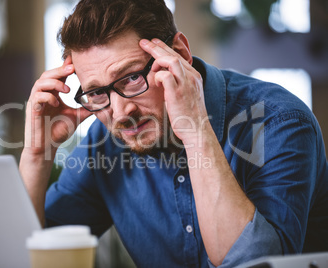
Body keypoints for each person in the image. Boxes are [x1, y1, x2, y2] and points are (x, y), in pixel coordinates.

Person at [19, 0, 328, 267]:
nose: (121, 113)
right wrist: (36, 155)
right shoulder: (105, 143)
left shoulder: (280, 122)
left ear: (178, 53)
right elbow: (27, 253)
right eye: (98, 92)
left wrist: (195, 131)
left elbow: (253, 264)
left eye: (130, 78)